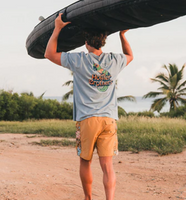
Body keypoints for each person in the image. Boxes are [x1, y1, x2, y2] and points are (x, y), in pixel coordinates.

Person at [45, 13, 133, 200]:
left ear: (86, 42)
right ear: (104, 41)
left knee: (85, 162)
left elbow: (49, 54)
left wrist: (58, 28)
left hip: (87, 120)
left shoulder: (79, 60)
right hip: (109, 120)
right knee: (107, 166)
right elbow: (130, 55)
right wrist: (123, 35)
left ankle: (88, 198)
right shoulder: (114, 61)